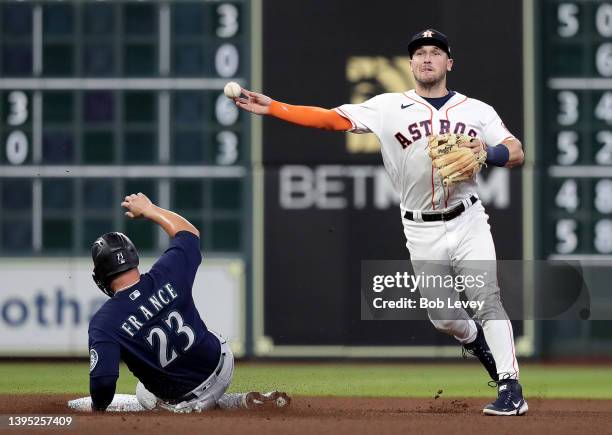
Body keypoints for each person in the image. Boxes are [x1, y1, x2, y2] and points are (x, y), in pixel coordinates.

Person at [232, 29, 527, 416]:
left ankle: (510, 388)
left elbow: (517, 151)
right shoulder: (388, 106)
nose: (426, 59)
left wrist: (488, 151)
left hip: (468, 218)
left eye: (435, 53)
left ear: (448, 63)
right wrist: (275, 107)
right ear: (410, 64)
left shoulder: (477, 111)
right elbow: (330, 120)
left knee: (487, 299)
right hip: (420, 228)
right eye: (419, 53)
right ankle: (476, 341)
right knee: (444, 318)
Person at [88, 192, 290, 413]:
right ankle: (237, 401)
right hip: (222, 364)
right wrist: (149, 209)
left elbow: (104, 382)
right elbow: (189, 233)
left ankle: (205, 405)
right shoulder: (167, 272)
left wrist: (98, 408)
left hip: (186, 399)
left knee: (144, 393)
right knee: (194, 329)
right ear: (133, 257)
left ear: (101, 278)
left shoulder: (104, 322)